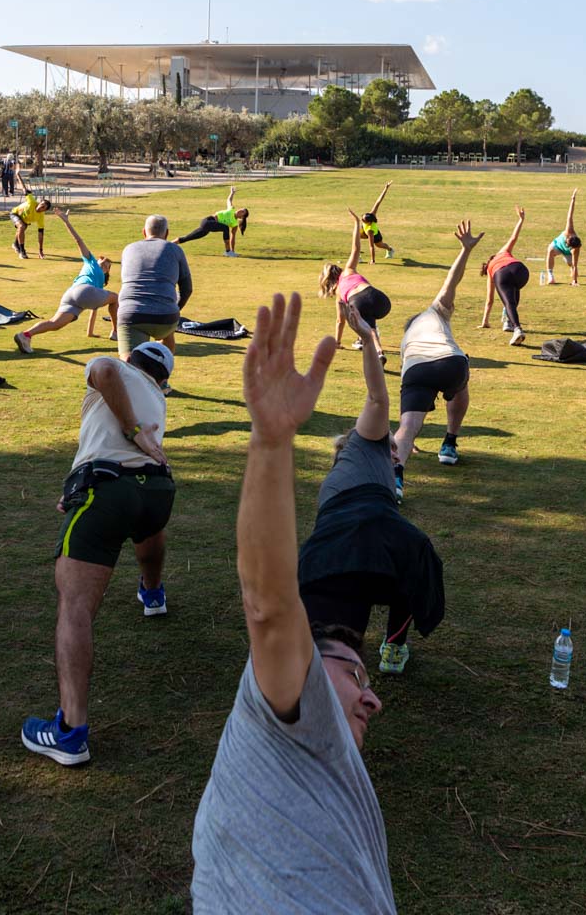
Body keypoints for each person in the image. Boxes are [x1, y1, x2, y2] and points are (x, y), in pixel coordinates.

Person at [189, 292, 391, 911]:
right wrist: (271, 443)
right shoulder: (285, 717)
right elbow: (270, 607)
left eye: (362, 676)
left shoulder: (324, 762)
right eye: (355, 671)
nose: (373, 697)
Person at [20, 341, 177, 765]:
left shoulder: (118, 373)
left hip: (110, 490)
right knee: (146, 526)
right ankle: (153, 593)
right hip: (157, 491)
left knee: (75, 606)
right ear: (163, 378)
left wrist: (130, 431)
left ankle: (70, 733)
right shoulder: (157, 396)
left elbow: (104, 368)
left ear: (133, 361)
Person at [300, 301, 445, 676]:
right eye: (394, 447)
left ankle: (371, 651)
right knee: (416, 560)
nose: (398, 453)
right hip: (363, 529)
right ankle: (392, 647)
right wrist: (367, 338)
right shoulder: (366, 444)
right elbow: (378, 398)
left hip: (334, 553)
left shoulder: (349, 474)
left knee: (354, 601)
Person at [393, 220, 481, 478]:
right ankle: (449, 443)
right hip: (450, 362)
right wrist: (466, 250)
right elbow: (450, 283)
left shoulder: (405, 343)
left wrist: (407, 439)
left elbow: (405, 386)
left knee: (408, 427)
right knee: (460, 386)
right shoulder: (435, 312)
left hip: (415, 369)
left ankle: (396, 476)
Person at [14, 208, 118, 353]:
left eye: (108, 264)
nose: (104, 262)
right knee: (116, 298)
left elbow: (93, 309)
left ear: (107, 271)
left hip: (73, 295)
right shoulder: (90, 261)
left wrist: (90, 332)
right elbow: (78, 240)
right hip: (81, 291)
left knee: (55, 324)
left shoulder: (100, 282)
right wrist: (66, 222)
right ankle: (115, 332)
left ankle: (25, 335)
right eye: (103, 260)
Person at [116, 215, 193, 359]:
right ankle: (163, 373)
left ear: (144, 232)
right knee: (168, 333)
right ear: (167, 233)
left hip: (131, 314)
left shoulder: (128, 249)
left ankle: (130, 367)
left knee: (129, 360)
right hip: (166, 317)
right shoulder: (175, 249)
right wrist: (176, 308)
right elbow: (187, 289)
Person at [322, 211, 392, 356]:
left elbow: (340, 321)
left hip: (359, 302)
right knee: (369, 323)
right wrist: (356, 224)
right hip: (382, 301)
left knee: (361, 320)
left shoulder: (339, 291)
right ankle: (378, 351)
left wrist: (337, 343)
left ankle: (374, 347)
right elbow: (356, 249)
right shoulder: (349, 270)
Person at [477, 205, 530, 346]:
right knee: (514, 290)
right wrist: (521, 220)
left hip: (503, 275)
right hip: (521, 270)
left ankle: (517, 329)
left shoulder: (491, 270)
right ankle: (508, 322)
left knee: (508, 302)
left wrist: (485, 322)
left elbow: (490, 300)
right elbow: (513, 238)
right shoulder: (502, 252)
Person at [175, 185, 249, 255]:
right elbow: (229, 200)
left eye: (242, 212)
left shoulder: (234, 224)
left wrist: (233, 251)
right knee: (225, 227)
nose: (240, 210)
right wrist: (232, 193)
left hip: (208, 228)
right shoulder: (231, 209)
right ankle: (227, 251)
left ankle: (170, 244)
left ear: (242, 217)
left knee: (188, 237)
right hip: (208, 221)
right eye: (241, 209)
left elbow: (232, 238)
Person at [541, 188, 582, 285]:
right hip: (557, 246)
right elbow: (570, 215)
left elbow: (575, 265)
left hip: (567, 253)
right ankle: (550, 276)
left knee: (571, 264)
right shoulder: (569, 229)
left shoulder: (575, 249)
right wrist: (573, 199)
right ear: (569, 238)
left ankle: (569, 265)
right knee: (550, 250)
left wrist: (574, 281)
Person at [9, 176, 51, 259]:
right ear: (39, 203)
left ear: (44, 210)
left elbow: (40, 234)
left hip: (25, 220)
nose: (40, 207)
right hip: (15, 213)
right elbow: (24, 188)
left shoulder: (40, 217)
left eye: (43, 207)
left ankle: (15, 244)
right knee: (21, 227)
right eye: (41, 204)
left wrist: (40, 250)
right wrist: (18, 175)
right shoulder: (32, 202)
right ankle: (22, 251)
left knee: (21, 228)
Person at [357, 181, 395, 262]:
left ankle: (390, 249)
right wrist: (386, 188)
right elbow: (378, 201)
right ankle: (357, 256)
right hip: (364, 230)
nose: (362, 219)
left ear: (369, 222)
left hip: (375, 235)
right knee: (356, 237)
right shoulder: (372, 214)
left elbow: (371, 246)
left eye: (363, 220)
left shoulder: (370, 231)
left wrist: (372, 260)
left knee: (379, 245)